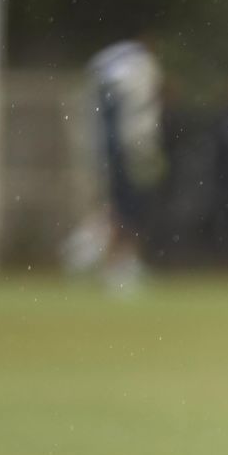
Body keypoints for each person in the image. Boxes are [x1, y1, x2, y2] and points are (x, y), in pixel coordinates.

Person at [66, 37, 166, 291]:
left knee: (116, 205)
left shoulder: (106, 70)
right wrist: (145, 152)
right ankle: (115, 263)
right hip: (122, 152)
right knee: (126, 208)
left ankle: (105, 251)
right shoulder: (140, 67)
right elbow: (139, 122)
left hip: (106, 149)